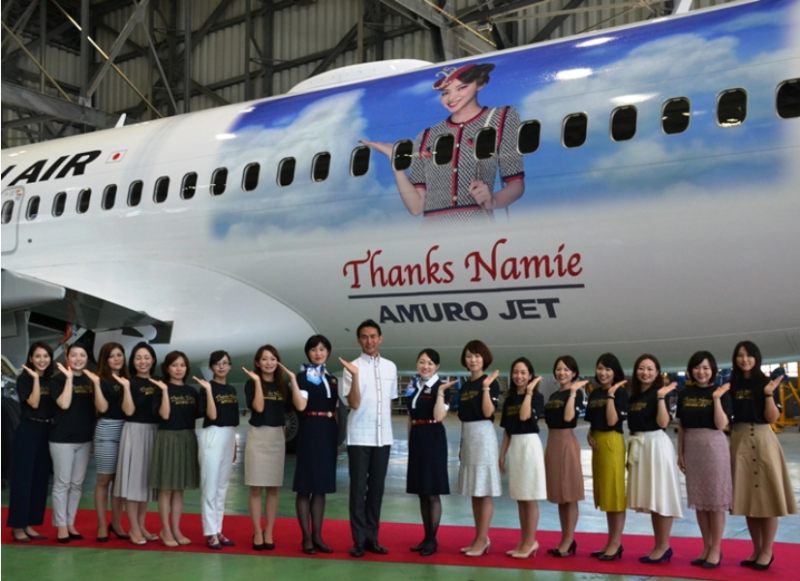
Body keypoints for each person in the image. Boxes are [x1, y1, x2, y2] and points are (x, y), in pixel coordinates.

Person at [361, 62, 525, 226]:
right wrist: (395, 161)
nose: (451, 98)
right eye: (446, 93)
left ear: (480, 84)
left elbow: (516, 183)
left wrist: (493, 201)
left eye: (461, 88)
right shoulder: (427, 136)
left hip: (477, 226)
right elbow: (416, 207)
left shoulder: (501, 117)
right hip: (433, 232)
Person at [729, 341, 797, 571]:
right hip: (739, 440)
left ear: (757, 358)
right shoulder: (731, 384)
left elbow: (772, 418)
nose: (744, 359)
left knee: (767, 497)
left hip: (762, 438)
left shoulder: (766, 382)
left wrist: (768, 394)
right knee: (748, 498)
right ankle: (756, 549)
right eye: (740, 355)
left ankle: (767, 550)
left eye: (749, 355)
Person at [340, 320, 398, 558]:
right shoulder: (351, 367)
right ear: (358, 340)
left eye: (373, 336)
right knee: (357, 490)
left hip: (383, 437)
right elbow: (353, 403)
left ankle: (372, 537)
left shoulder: (390, 367)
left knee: (376, 489)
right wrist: (355, 376)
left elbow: (390, 402)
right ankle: (358, 540)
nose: (369, 341)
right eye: (364, 337)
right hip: (359, 437)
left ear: (380, 338)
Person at [676, 351, 733, 569]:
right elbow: (682, 425)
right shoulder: (685, 393)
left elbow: (721, 425)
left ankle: (716, 548)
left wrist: (716, 399)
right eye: (697, 367)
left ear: (713, 370)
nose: (702, 372)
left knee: (715, 502)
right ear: (691, 370)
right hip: (692, 447)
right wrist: (680, 452)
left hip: (714, 447)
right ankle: (706, 546)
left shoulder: (721, 392)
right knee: (700, 502)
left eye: (706, 368)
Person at [284, 335, 339, 555]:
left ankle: (318, 535)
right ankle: (306, 537)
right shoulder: (303, 376)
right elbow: (300, 405)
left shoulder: (331, 378)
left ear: (328, 352)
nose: (318, 353)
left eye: (322, 349)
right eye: (314, 349)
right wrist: (294, 382)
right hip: (311, 429)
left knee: (321, 487)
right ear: (308, 353)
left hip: (328, 431)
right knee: (306, 485)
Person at [626, 354, 683, 564]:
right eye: (642, 368)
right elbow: (632, 427)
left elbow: (663, 423)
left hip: (656, 445)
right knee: (652, 498)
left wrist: (660, 398)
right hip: (639, 445)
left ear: (657, 372)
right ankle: (659, 545)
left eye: (650, 369)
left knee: (661, 496)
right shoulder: (634, 396)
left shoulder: (660, 393)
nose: (645, 372)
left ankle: (663, 546)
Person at [149, 351, 202, 547]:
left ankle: (176, 528)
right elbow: (163, 415)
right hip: (168, 437)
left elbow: (194, 418)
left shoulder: (192, 392)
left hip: (187, 438)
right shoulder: (161, 389)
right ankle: (165, 529)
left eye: (182, 365)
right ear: (167, 368)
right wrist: (164, 392)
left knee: (179, 489)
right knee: (166, 488)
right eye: (174, 365)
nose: (179, 369)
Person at [405, 349, 455, 556]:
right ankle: (426, 537)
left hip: (433, 438)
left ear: (437, 366)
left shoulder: (441, 387)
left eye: (430, 363)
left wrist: (440, 392)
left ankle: (432, 539)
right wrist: (410, 443)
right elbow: (411, 416)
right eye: (422, 362)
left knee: (432, 491)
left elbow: (439, 415)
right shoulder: (414, 385)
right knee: (422, 491)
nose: (425, 366)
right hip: (417, 437)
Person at [6, 342, 57, 542]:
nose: (42, 360)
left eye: (46, 356)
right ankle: (17, 526)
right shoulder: (25, 379)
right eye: (38, 356)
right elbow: (34, 403)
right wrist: (36, 378)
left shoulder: (51, 381)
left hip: (46, 431)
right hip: (28, 431)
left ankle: (29, 524)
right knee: (23, 480)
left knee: (39, 481)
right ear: (31, 358)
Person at [456, 339, 501, 557]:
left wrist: (485, 388)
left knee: (484, 491)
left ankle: (483, 539)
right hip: (468, 436)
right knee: (475, 491)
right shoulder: (465, 386)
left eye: (477, 356)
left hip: (483, 436)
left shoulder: (490, 382)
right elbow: (463, 416)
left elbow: (487, 412)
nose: (473, 360)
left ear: (484, 358)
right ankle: (478, 536)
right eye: (469, 356)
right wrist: (462, 444)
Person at [113, 342, 160, 545]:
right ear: (133, 361)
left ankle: (141, 525)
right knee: (133, 482)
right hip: (134, 431)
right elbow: (129, 411)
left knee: (145, 483)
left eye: (147, 357)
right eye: (138, 358)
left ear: (153, 360)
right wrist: (126, 388)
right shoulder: (129, 383)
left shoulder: (159, 382)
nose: (143, 362)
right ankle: (133, 527)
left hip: (154, 432)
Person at [243, 345, 289, 551]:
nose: (269, 363)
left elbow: (286, 412)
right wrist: (257, 382)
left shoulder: (283, 385)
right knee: (255, 488)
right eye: (264, 359)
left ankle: (269, 531)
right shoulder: (251, 383)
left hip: (276, 437)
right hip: (258, 436)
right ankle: (257, 531)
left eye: (272, 359)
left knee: (273, 488)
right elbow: (259, 407)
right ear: (257, 362)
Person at [49, 343, 96, 542]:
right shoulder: (57, 380)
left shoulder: (90, 380)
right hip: (62, 439)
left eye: (82, 355)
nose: (78, 359)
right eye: (74, 355)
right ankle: (61, 526)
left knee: (76, 484)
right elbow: (64, 404)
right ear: (67, 357)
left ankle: (70, 523)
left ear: (87, 358)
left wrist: (93, 438)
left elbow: (93, 412)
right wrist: (69, 379)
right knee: (62, 483)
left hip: (84, 439)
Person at [498, 357, 544, 559]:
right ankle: (523, 540)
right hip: (515, 445)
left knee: (529, 496)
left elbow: (525, 416)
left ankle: (531, 541)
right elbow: (507, 429)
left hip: (529, 445)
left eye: (523, 372)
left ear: (530, 375)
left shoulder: (537, 397)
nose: (519, 376)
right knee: (520, 497)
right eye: (516, 372)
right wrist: (502, 454)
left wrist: (529, 392)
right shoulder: (509, 400)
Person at [543, 356, 588, 557]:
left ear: (574, 373)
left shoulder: (576, 393)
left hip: (566, 442)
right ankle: (565, 538)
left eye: (566, 370)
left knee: (570, 494)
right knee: (560, 495)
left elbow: (569, 417)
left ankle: (569, 540)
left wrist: (572, 393)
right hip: (552, 442)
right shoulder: (554, 395)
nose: (562, 373)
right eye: (559, 369)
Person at [585, 353, 628, 561]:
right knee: (606, 494)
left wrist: (611, 395)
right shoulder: (595, 393)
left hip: (612, 442)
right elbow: (593, 420)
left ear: (615, 372)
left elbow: (612, 421)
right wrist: (590, 434)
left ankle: (616, 543)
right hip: (598, 444)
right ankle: (610, 541)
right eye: (600, 368)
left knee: (615, 493)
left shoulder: (619, 393)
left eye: (608, 369)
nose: (603, 373)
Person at [195, 350, 239, 550]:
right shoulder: (206, 388)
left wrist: (234, 444)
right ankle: (210, 532)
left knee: (222, 486)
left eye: (225, 363)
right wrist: (209, 391)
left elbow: (232, 419)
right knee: (210, 486)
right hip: (212, 434)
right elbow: (211, 415)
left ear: (230, 366)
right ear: (212, 367)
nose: (222, 366)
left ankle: (218, 529)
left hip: (228, 435)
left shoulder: (231, 389)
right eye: (217, 363)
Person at [86, 342, 130, 542]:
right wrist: (96, 385)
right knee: (104, 480)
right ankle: (102, 524)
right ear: (105, 359)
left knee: (120, 482)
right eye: (112, 356)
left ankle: (117, 523)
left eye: (119, 354)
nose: (116, 359)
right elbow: (102, 408)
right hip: (107, 429)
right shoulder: (101, 380)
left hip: (127, 431)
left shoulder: (129, 379)